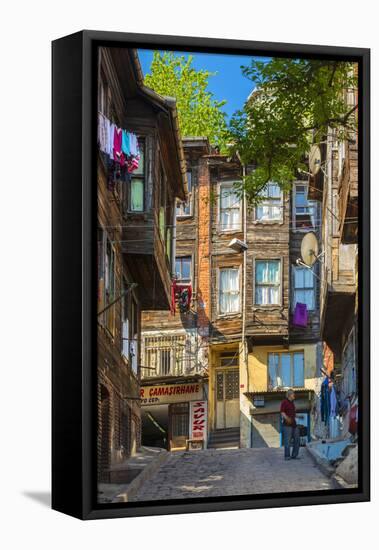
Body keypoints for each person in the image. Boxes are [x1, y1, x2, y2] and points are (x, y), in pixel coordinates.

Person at [280, 389, 300, 460]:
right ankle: (287, 456)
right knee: (287, 441)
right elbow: (282, 412)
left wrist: (298, 416)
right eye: (293, 394)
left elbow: (293, 414)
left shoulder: (292, 403)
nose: (294, 395)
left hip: (294, 424)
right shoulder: (284, 402)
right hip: (287, 425)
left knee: (297, 439)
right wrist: (286, 418)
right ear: (289, 395)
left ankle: (294, 455)